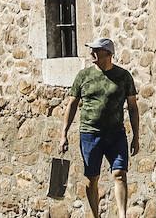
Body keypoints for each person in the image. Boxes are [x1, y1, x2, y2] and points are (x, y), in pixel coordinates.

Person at [59, 37, 140, 218]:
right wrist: (63, 133)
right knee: (91, 179)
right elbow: (72, 105)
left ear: (109, 54)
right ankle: (96, 215)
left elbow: (133, 107)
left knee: (119, 173)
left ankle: (122, 215)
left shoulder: (124, 76)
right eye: (91, 50)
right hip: (89, 134)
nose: (92, 53)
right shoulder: (83, 76)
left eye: (96, 50)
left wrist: (136, 136)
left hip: (116, 134)